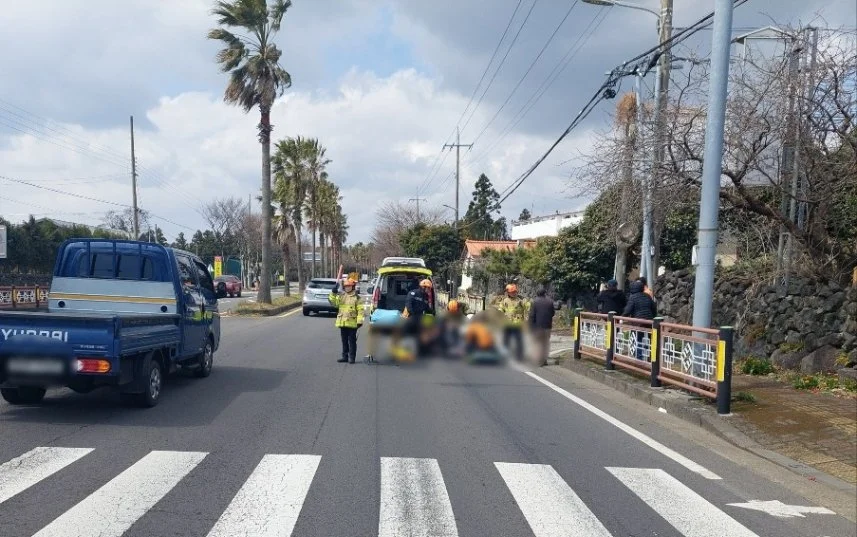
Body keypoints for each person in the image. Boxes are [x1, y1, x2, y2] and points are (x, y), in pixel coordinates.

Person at [328, 278, 364, 363]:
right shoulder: (341, 295)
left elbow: (361, 310)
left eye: (349, 286)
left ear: (353, 287)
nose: (347, 288)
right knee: (344, 341)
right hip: (342, 323)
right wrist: (333, 293)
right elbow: (334, 303)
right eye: (346, 286)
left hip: (352, 324)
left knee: (352, 341)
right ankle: (345, 356)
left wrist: (359, 322)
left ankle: (352, 357)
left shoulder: (357, 298)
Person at [623, 280, 656, 360]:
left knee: (639, 338)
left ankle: (639, 358)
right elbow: (653, 308)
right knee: (650, 338)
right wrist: (653, 317)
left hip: (638, 321)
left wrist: (622, 316)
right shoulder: (647, 296)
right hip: (649, 320)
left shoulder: (633, 297)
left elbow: (628, 310)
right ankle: (651, 357)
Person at [498, 283, 528, 361]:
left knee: (519, 340)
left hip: (518, 324)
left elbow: (528, 307)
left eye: (515, 292)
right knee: (506, 340)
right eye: (512, 292)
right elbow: (500, 310)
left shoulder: (520, 300)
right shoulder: (505, 300)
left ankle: (519, 356)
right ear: (508, 292)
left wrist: (525, 301)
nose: (514, 293)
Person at [528, 287, 555, 366]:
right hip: (547, 326)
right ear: (545, 293)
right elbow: (553, 313)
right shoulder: (550, 301)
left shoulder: (534, 302)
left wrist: (530, 326)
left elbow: (532, 315)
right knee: (545, 343)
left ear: (537, 294)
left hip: (537, 326)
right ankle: (544, 360)